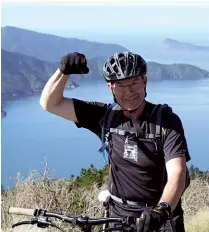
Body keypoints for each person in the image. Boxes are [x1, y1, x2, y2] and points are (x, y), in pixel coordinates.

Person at [40, 51, 191, 232]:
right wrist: (63, 72)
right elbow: (50, 103)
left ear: (145, 81)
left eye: (134, 82)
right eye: (120, 84)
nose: (129, 91)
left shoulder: (166, 120)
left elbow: (177, 173)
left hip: (159, 217)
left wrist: (162, 209)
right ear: (110, 88)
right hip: (117, 217)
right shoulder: (105, 116)